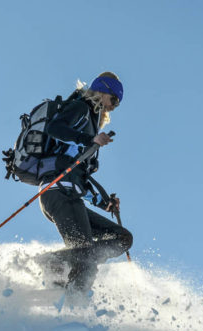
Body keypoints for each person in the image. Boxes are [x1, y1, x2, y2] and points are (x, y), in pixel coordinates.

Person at [38, 71, 133, 295]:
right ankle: (72, 296)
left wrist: (104, 202)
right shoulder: (81, 108)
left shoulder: (90, 124)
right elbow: (55, 128)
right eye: (114, 100)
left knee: (122, 238)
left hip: (70, 194)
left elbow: (79, 174)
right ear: (103, 91)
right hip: (58, 191)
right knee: (85, 255)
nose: (113, 107)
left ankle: (62, 279)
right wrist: (88, 139)